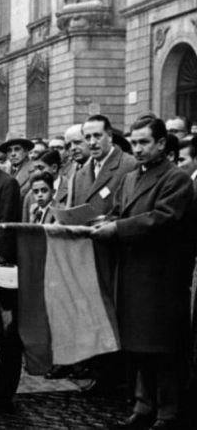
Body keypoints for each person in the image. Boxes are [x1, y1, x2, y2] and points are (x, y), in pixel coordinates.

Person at [91, 115, 195, 430]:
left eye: (144, 142)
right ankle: (143, 405)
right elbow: (120, 211)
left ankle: (167, 411)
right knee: (138, 346)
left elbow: (161, 219)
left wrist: (116, 228)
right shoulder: (130, 178)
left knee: (162, 348)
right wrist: (99, 221)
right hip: (133, 273)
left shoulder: (175, 179)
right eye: (134, 143)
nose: (137, 149)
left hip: (160, 277)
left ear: (162, 144)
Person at [69, 115, 136, 216]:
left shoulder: (130, 166)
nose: (92, 142)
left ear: (109, 136)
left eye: (97, 136)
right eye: (87, 137)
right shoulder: (78, 176)